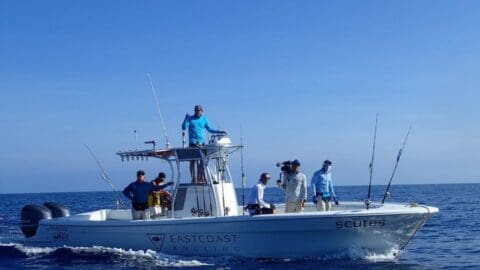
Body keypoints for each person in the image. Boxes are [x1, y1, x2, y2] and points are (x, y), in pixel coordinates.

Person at [181, 105, 226, 183]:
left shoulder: (204, 119)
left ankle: (200, 178)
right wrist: (185, 118)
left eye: (199, 110)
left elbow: (210, 129)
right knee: (192, 162)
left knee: (202, 162)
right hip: (193, 143)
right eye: (196, 110)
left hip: (202, 143)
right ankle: (193, 178)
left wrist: (219, 131)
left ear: (202, 111)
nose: (197, 111)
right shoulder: (190, 119)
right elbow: (184, 127)